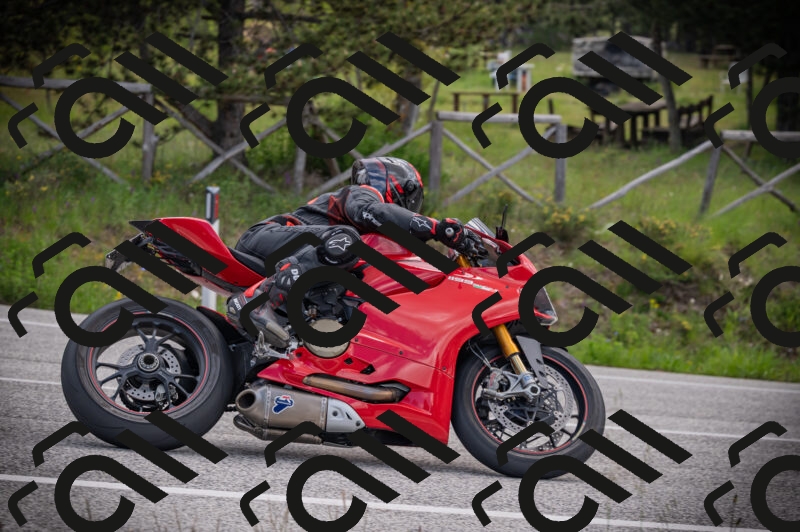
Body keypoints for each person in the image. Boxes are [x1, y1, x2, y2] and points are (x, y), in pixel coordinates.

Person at [226, 156, 485, 348]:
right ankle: (258, 301)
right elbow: (373, 213)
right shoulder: (361, 194)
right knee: (348, 240)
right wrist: (436, 227)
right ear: (396, 186)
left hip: (293, 249)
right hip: (266, 236)